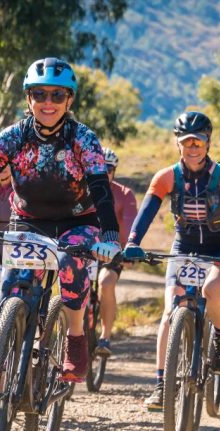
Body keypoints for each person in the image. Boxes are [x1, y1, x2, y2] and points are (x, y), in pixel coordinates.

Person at [0, 57, 120, 383]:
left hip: (77, 222)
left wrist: (109, 235)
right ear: (28, 98)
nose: (48, 102)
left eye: (57, 95)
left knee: (70, 261)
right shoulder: (12, 137)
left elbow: (100, 189)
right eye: (39, 94)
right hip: (26, 222)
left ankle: (76, 338)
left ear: (70, 99)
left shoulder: (83, 139)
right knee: (10, 298)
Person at [122, 111, 220, 410]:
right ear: (178, 143)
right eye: (187, 141)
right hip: (184, 246)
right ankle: (161, 385)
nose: (193, 147)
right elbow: (148, 212)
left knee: (213, 290)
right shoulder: (167, 177)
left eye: (199, 142)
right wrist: (133, 242)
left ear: (208, 143)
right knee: (169, 312)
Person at [94, 147, 138, 356]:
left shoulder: (124, 194)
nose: (104, 173)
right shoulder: (81, 190)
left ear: (114, 171)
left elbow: (130, 225)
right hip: (84, 249)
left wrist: (129, 249)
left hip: (113, 251)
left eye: (108, 169)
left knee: (106, 281)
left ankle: (105, 336)